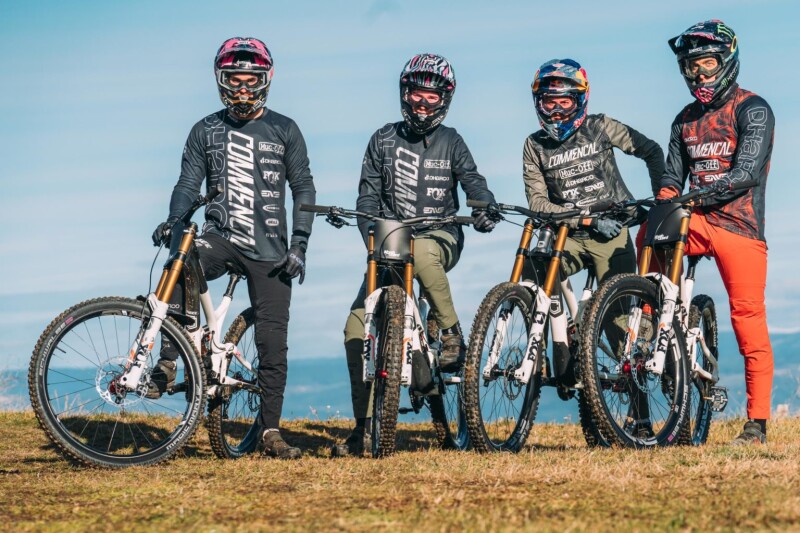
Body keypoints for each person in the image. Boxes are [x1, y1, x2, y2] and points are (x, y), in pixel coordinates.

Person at [150, 37, 316, 459]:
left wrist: (300, 244)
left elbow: (303, 188)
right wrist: (175, 219)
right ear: (220, 80)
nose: (243, 89)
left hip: (272, 251)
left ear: (266, 80)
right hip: (220, 238)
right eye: (234, 80)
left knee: (273, 344)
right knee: (181, 259)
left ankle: (270, 432)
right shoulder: (204, 129)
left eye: (251, 80)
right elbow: (187, 183)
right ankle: (168, 359)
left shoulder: (286, 128)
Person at [332, 53, 497, 457]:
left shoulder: (452, 141)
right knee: (355, 328)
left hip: (440, 236)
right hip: (388, 244)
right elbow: (367, 198)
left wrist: (484, 206)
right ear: (404, 95)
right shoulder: (382, 139)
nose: (422, 105)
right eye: (416, 96)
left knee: (420, 250)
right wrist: (372, 241)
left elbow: (474, 182)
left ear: (445, 100)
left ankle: (451, 332)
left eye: (431, 98)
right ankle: (363, 428)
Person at [522, 59, 665, 435]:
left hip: (612, 234)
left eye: (564, 101)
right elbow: (538, 203)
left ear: (580, 100)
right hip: (568, 235)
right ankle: (556, 344)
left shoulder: (600, 126)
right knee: (533, 270)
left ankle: (640, 416)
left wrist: (662, 198)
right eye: (548, 101)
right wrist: (583, 220)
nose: (556, 109)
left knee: (619, 326)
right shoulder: (534, 145)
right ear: (538, 103)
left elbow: (650, 150)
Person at [653, 20, 775, 445]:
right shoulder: (683, 120)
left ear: (726, 61)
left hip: (739, 225)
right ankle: (651, 322)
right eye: (691, 67)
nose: (699, 74)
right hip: (695, 219)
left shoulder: (753, 108)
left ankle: (757, 422)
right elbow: (672, 177)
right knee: (649, 230)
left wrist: (696, 194)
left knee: (747, 318)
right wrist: (664, 200)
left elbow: (747, 172)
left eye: (706, 63)